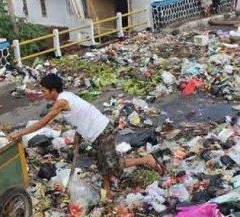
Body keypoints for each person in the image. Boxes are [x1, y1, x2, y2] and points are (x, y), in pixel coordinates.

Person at [9, 73, 166, 194]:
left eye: (44, 91)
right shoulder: (67, 97)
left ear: (53, 91)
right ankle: (107, 191)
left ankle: (148, 159)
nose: (43, 94)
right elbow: (81, 114)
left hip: (101, 130)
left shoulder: (62, 102)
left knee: (113, 163)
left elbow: (42, 122)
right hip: (94, 132)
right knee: (101, 163)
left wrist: (19, 133)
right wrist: (78, 134)